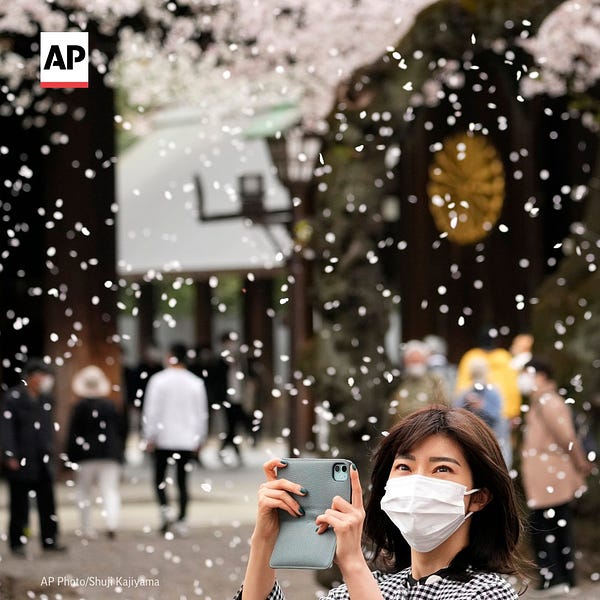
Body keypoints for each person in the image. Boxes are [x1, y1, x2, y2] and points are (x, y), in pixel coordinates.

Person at [236, 405, 526, 599]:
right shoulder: (357, 590)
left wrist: (352, 562)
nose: (417, 481)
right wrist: (264, 540)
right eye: (404, 467)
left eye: (441, 469)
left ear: (478, 498)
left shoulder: (487, 592)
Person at [519, 359, 592, 597]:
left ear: (541, 375)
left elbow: (566, 437)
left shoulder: (548, 402)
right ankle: (559, 578)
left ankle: (557, 579)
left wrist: (580, 463)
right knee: (553, 525)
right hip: (547, 476)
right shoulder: (541, 401)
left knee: (548, 527)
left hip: (550, 476)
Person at [0, 358, 67, 556]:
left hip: (42, 458)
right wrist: (9, 453)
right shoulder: (14, 397)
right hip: (21, 458)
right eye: (43, 376)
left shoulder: (46, 399)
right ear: (31, 377)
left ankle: (50, 540)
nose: (46, 380)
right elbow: (6, 428)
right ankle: (17, 542)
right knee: (19, 504)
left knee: (48, 502)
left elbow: (47, 428)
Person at [142, 342, 209, 535]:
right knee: (182, 480)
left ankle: (165, 512)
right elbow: (201, 413)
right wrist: (200, 437)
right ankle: (182, 519)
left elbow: (152, 411)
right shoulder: (195, 382)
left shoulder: (158, 380)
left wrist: (149, 435)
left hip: (163, 438)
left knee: (159, 479)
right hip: (187, 439)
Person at [66, 365, 125, 540]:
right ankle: (111, 523)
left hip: (86, 455)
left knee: (84, 491)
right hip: (110, 453)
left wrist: (70, 457)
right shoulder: (111, 406)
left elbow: (73, 434)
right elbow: (121, 431)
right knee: (110, 490)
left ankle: (86, 527)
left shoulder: (79, 407)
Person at [454, 356, 511, 466]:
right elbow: (455, 415)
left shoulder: (494, 392)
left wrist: (482, 406)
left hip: (495, 440)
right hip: (474, 441)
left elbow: (497, 416)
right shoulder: (466, 392)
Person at [214, 331, 255, 466]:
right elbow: (218, 381)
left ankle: (224, 451)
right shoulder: (220, 361)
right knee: (231, 426)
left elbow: (249, 376)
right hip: (227, 399)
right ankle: (235, 454)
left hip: (240, 398)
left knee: (236, 426)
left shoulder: (241, 360)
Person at [388, 339, 449, 422]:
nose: (415, 364)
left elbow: (444, 406)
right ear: (405, 362)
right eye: (412, 360)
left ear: (425, 360)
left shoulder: (434, 381)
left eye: (418, 360)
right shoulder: (399, 383)